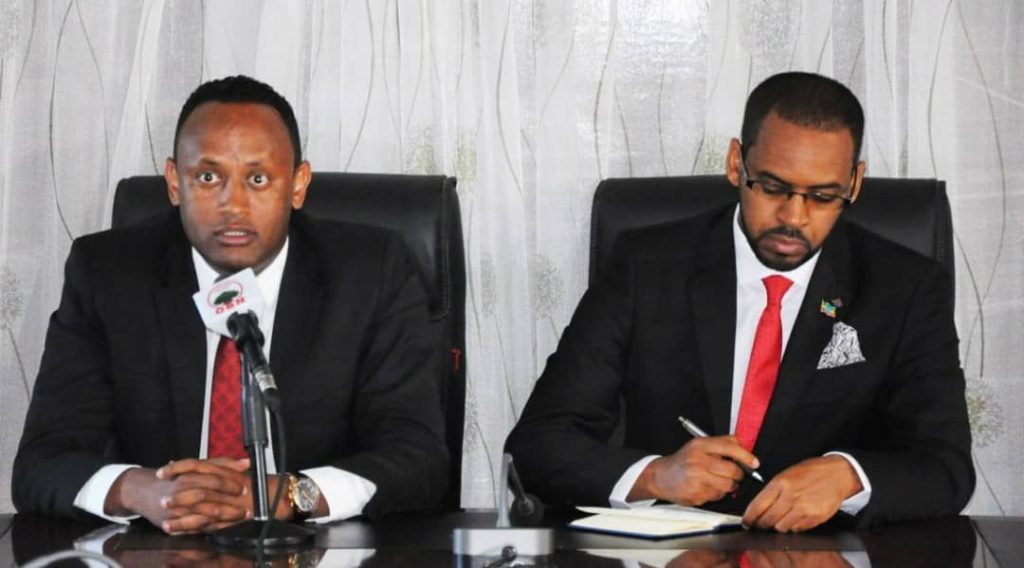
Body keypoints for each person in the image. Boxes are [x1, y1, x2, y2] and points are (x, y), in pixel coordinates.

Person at [505, 71, 974, 532]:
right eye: (772, 187)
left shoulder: (906, 288)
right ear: (736, 163)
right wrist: (656, 476)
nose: (793, 217)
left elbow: (946, 467)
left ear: (854, 183)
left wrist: (849, 477)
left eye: (822, 196)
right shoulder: (645, 266)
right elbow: (537, 444)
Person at [13, 75, 448, 534]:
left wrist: (282, 496)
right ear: (174, 183)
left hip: (315, 549)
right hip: (158, 549)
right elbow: (42, 462)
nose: (233, 205)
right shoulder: (108, 275)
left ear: (298, 185)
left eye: (258, 179)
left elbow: (419, 458)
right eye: (208, 177)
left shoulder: (371, 273)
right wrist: (138, 490)